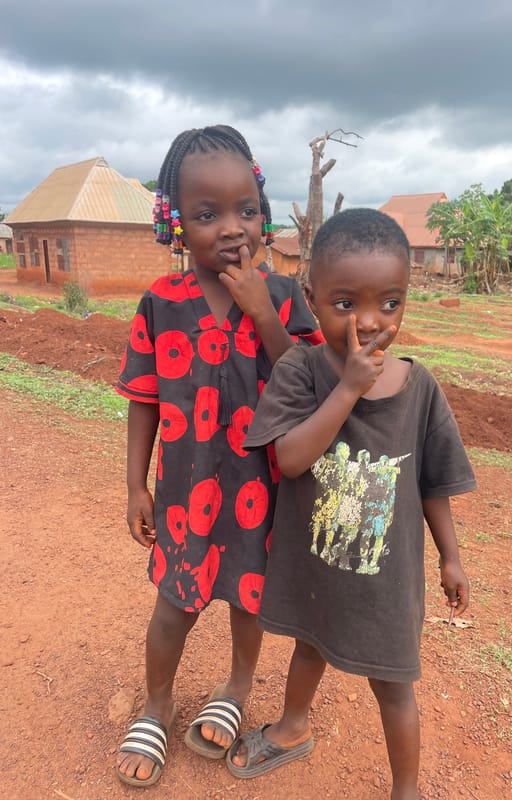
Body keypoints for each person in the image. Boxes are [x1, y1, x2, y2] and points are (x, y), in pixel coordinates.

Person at [228, 208, 476, 799]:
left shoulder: (420, 388)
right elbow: (290, 459)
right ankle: (292, 728)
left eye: (389, 303)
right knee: (308, 645)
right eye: (346, 304)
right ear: (313, 299)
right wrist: (348, 388)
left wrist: (451, 557)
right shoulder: (301, 371)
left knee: (394, 686)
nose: (369, 321)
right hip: (317, 565)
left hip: (384, 583)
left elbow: (433, 482)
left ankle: (406, 789)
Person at [114, 125, 322, 787]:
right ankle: (157, 702)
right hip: (184, 492)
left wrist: (262, 313)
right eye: (207, 214)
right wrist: (134, 486)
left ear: (263, 211)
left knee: (248, 600)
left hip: (262, 492)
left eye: (246, 210)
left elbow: (309, 382)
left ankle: (234, 688)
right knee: (172, 606)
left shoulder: (286, 299)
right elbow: (143, 397)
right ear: (174, 222)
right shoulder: (161, 303)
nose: (232, 228)